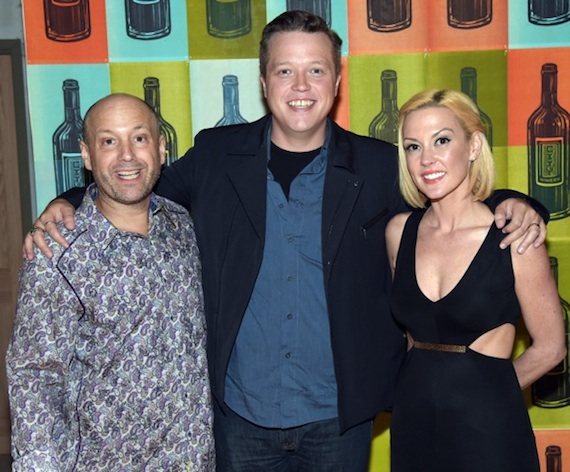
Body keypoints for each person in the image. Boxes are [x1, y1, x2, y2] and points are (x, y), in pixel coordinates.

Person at [24, 11, 549, 471]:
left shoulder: (376, 166)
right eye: (285, 70)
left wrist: (518, 202)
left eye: (316, 69)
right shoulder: (215, 156)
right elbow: (135, 180)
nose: (301, 85)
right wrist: (70, 197)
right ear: (263, 80)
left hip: (338, 420)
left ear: (337, 79)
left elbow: (445, 190)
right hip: (239, 419)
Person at [8, 94, 215, 471]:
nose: (127, 156)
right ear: (86, 156)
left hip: (191, 460)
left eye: (139, 138)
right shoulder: (56, 252)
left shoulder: (183, 226)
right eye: (108, 141)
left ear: (161, 147)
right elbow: (34, 377)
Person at [385, 89, 566, 472]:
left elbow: (551, 348)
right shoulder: (399, 232)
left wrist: (487, 394)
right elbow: (406, 338)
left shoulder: (514, 236)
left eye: (443, 140)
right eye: (413, 146)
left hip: (487, 431)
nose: (427, 159)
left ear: (473, 146)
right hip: (413, 424)